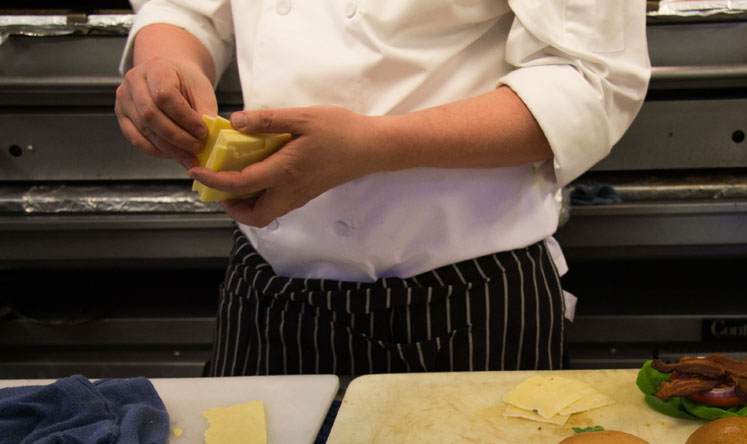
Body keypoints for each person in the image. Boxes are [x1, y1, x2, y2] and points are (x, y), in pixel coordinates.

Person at [115, 0, 650, 376]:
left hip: (470, 301)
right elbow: (185, 9)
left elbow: (591, 79)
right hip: (268, 293)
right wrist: (168, 63)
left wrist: (375, 144)